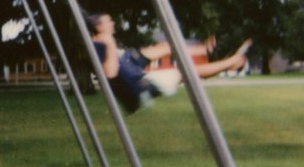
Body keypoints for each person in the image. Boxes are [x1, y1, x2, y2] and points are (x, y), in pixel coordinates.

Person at [87, 12, 252, 114]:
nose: (113, 23)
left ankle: (203, 50)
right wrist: (109, 46)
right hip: (137, 87)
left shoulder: (103, 41)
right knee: (188, 72)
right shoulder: (99, 46)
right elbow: (109, 74)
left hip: (130, 64)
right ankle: (232, 61)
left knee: (164, 47)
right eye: (108, 21)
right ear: (99, 26)